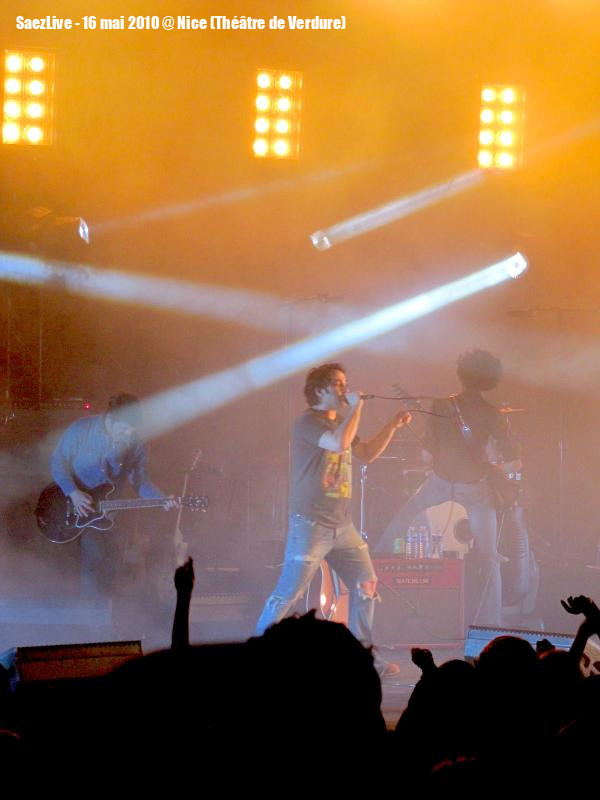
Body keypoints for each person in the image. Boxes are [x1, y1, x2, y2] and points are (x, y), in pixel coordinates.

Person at [255, 362, 411, 676]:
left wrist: (392, 426)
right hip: (311, 524)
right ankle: (255, 654)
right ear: (319, 390)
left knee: (366, 585)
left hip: (342, 525)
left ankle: (364, 658)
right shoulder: (307, 423)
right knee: (288, 593)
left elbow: (366, 453)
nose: (344, 389)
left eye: (345, 383)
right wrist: (356, 408)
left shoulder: (341, 421)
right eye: (338, 384)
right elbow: (338, 443)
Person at [375, 349, 519, 627]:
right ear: (491, 378)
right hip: (476, 489)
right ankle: (491, 625)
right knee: (489, 557)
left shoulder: (442, 405)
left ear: (462, 373)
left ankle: (378, 591)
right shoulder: (493, 414)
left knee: (399, 526)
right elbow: (514, 460)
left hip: (439, 484)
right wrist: (493, 468)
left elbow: (428, 453)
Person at [50, 393, 177, 609]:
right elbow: (57, 462)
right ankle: (88, 614)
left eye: (133, 430)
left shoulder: (135, 443)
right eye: (125, 429)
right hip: (72, 504)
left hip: (108, 512)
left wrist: (162, 499)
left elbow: (141, 482)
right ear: (110, 419)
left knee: (112, 559)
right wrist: (73, 492)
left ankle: (106, 612)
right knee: (91, 556)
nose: (129, 434)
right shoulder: (81, 429)